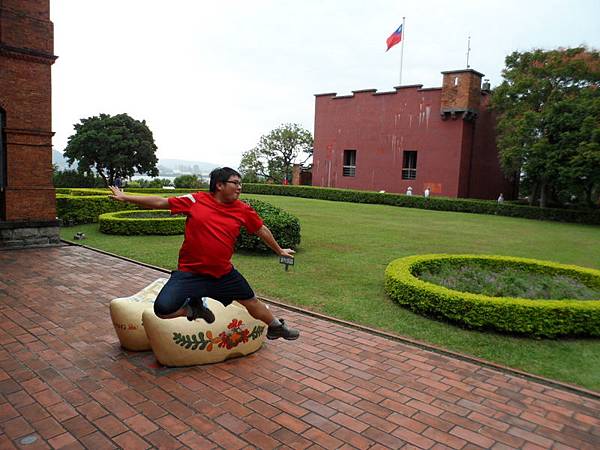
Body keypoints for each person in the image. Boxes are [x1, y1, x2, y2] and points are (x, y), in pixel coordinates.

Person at [108, 167, 299, 340]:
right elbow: (160, 202)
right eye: (235, 183)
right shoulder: (196, 200)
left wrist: (279, 250)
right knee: (162, 309)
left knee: (251, 302)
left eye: (241, 184)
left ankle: (276, 327)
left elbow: (261, 230)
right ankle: (193, 309)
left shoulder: (243, 209)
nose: (240, 187)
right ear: (219, 185)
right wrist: (126, 197)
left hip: (223, 274)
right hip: (190, 273)